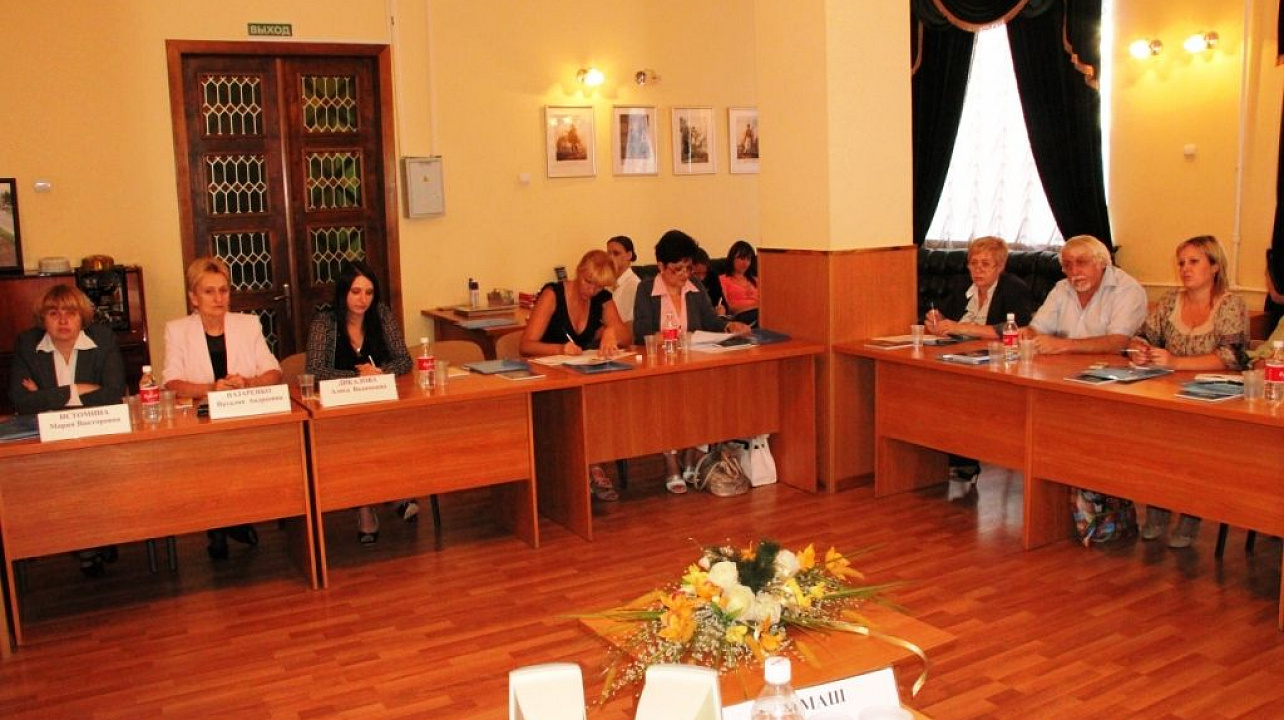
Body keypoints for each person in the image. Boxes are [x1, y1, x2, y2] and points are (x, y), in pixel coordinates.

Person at [1127, 236, 1248, 548]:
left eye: (1194, 262)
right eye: (1181, 263)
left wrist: (1177, 362)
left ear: (1215, 266)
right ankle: (1157, 509)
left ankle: (1190, 517)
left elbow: (1232, 357)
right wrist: (1139, 351)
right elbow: (1143, 336)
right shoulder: (1170, 301)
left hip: (1215, 397)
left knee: (1193, 455)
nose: (1185, 269)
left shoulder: (1231, 304)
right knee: (1157, 448)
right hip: (1168, 392)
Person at [163, 256, 282, 560]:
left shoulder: (248, 324)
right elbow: (172, 383)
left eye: (223, 290)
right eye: (209, 291)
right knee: (211, 456)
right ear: (193, 297)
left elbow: (274, 372)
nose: (218, 298)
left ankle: (232, 520)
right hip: (202, 420)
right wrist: (211, 388)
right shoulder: (177, 330)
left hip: (244, 415)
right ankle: (222, 523)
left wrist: (249, 382)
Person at [9, 285, 127, 576]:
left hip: (96, 434)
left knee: (91, 472)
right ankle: (86, 544)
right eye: (54, 313)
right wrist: (77, 390)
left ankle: (95, 541)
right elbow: (20, 401)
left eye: (70, 313)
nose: (63, 320)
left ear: (82, 317)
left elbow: (113, 393)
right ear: (43, 319)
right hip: (47, 439)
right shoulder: (28, 344)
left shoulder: (102, 339)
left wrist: (45, 395)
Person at [634, 230, 751, 494]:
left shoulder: (695, 287)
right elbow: (640, 333)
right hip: (661, 366)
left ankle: (691, 455)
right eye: (677, 269)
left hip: (694, 362)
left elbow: (710, 321)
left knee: (706, 395)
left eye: (688, 268)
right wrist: (669, 337)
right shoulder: (646, 289)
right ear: (661, 266)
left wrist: (729, 325)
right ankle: (671, 462)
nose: (684, 274)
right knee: (668, 401)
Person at [305, 260, 414, 543]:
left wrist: (379, 372)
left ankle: (394, 491)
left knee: (393, 430)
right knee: (358, 440)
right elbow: (314, 371)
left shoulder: (382, 315)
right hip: (339, 410)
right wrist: (356, 375)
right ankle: (366, 508)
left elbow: (404, 360)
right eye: (355, 292)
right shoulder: (325, 322)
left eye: (368, 292)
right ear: (343, 292)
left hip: (379, 403)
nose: (362, 299)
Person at [924, 236, 1034, 498]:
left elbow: (1017, 328)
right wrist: (935, 320)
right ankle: (944, 457)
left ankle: (965, 459)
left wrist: (961, 327)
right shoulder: (962, 286)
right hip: (958, 356)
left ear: (1000, 267)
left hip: (998, 361)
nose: (978, 270)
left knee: (961, 395)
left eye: (986, 264)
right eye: (973, 263)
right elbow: (944, 318)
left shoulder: (1013, 288)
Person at [520, 249, 629, 501]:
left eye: (598, 286)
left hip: (579, 373)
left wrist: (611, 331)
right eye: (588, 282)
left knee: (603, 401)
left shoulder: (602, 298)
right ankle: (589, 468)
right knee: (585, 406)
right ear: (579, 271)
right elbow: (526, 345)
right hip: (547, 378)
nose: (591, 290)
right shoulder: (553, 294)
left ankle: (591, 465)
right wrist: (560, 349)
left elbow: (626, 335)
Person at [1023, 235, 1147, 353]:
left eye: (1082, 262)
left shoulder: (1126, 289)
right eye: (1067, 265)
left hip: (1110, 366)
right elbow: (1038, 329)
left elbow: (1119, 343)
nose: (1074, 271)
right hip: (1063, 363)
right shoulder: (1061, 288)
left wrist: (1064, 345)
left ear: (1102, 262)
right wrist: (1027, 333)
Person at [719, 240, 759, 325]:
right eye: (741, 258)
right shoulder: (722, 280)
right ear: (732, 258)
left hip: (760, 316)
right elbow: (727, 307)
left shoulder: (756, 280)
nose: (745, 263)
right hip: (739, 317)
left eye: (748, 259)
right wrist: (754, 306)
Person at [607, 235, 641, 324]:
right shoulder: (605, 282)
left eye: (616, 253)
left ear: (629, 255)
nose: (610, 258)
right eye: (608, 253)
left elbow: (631, 322)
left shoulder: (635, 286)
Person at [691, 247, 725, 314]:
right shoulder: (684, 282)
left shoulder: (712, 276)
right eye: (696, 274)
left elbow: (721, 299)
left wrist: (722, 308)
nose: (701, 278)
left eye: (704, 273)